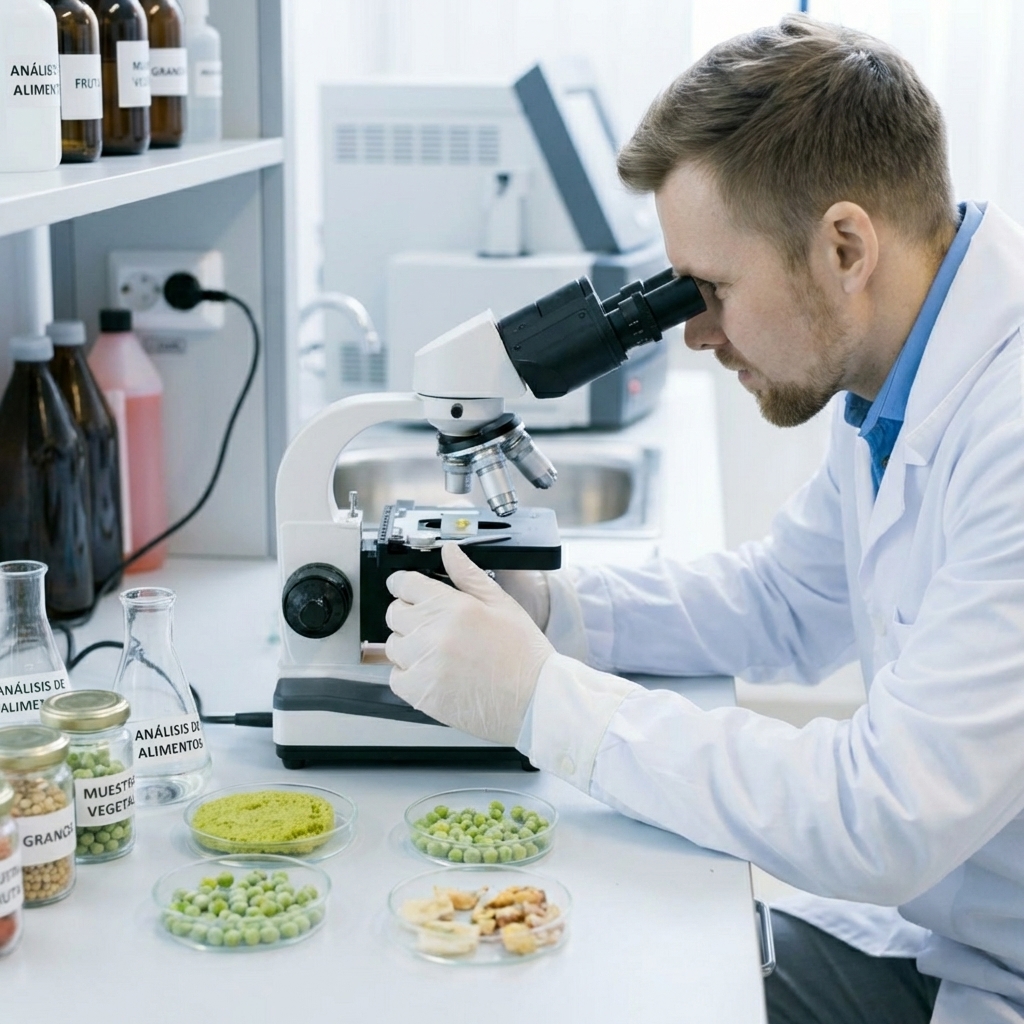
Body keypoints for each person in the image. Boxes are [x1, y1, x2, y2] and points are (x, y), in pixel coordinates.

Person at [383, 15, 1024, 1024]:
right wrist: (550, 608)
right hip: (955, 937)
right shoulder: (901, 368)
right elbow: (780, 598)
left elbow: (879, 812)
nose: (691, 334)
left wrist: (545, 702)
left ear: (844, 246)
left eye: (711, 288)